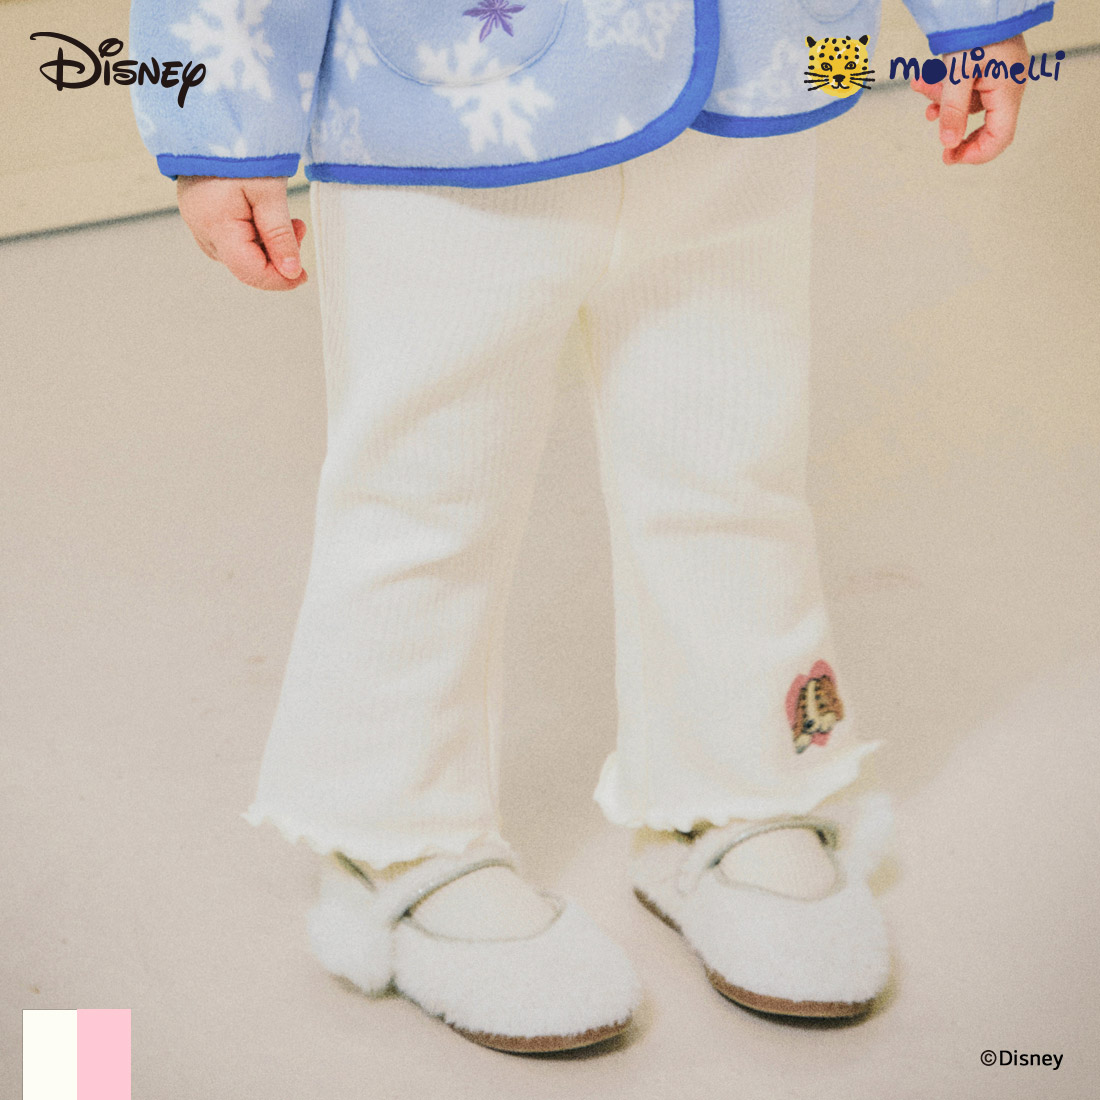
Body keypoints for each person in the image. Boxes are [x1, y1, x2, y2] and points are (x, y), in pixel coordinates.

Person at [129, 0, 1050, 1053]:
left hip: (757, 67)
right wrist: (214, 117)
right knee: (422, 493)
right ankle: (397, 831)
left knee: (732, 460)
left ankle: (739, 780)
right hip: (441, 105)